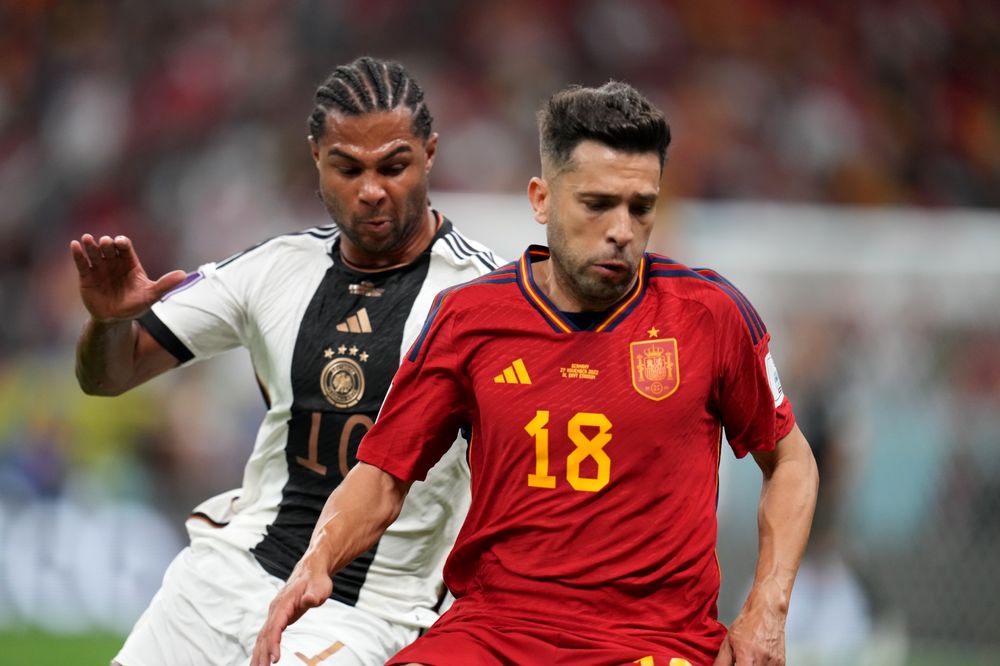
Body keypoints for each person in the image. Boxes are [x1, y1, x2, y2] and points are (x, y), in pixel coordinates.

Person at [253, 81, 820, 666]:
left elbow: (791, 462)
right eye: (597, 204)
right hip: (493, 633)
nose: (622, 230)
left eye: (641, 207)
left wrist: (768, 608)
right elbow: (382, 475)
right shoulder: (469, 318)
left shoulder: (708, 315)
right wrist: (317, 560)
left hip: (651, 641)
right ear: (542, 200)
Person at [70, 56, 503, 666]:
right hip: (227, 577)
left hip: (370, 608)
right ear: (316, 158)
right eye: (348, 168)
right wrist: (110, 322)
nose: (371, 190)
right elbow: (108, 376)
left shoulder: (487, 298)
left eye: (393, 166)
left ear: (430, 154)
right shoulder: (273, 268)